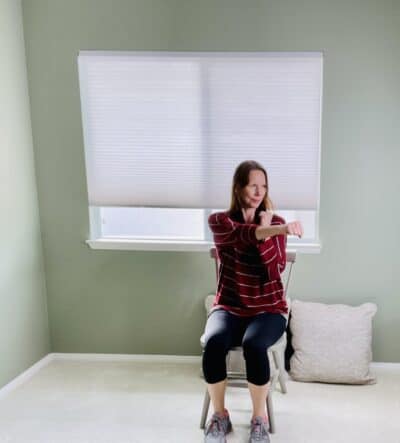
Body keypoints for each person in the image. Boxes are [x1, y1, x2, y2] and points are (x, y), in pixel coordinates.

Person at [202, 160, 303, 443]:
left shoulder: (276, 223)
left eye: (264, 186)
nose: (260, 192)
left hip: (268, 309)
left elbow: (274, 269)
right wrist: (274, 231)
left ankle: (260, 418)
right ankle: (220, 416)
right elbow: (243, 236)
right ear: (239, 187)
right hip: (229, 307)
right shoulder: (220, 222)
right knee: (213, 343)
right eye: (253, 185)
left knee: (254, 345)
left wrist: (269, 229)